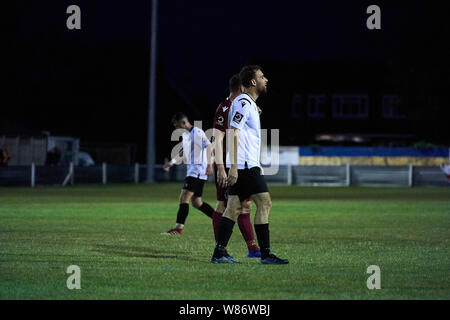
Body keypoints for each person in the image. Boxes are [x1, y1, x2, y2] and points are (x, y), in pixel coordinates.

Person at [211, 65, 289, 264]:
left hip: (247, 164)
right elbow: (233, 133)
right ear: (253, 82)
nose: (266, 80)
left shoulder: (249, 104)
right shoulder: (244, 103)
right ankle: (265, 254)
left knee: (233, 208)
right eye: (262, 77)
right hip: (244, 166)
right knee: (264, 203)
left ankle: (219, 253)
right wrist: (234, 167)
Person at [211, 74, 260, 258]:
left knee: (244, 205)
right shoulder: (225, 108)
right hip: (228, 164)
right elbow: (216, 139)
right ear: (241, 88)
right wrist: (221, 168)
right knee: (224, 205)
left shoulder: (242, 105)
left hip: (240, 164)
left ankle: (253, 249)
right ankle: (221, 250)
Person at [162, 112, 216, 235]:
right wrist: (172, 162)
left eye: (177, 125)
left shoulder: (197, 132)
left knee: (184, 198)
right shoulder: (187, 135)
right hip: (193, 172)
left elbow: (209, 148)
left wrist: (209, 165)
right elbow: (183, 151)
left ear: (183, 123)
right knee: (197, 203)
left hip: (197, 172)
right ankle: (219, 220)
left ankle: (178, 228)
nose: (176, 128)